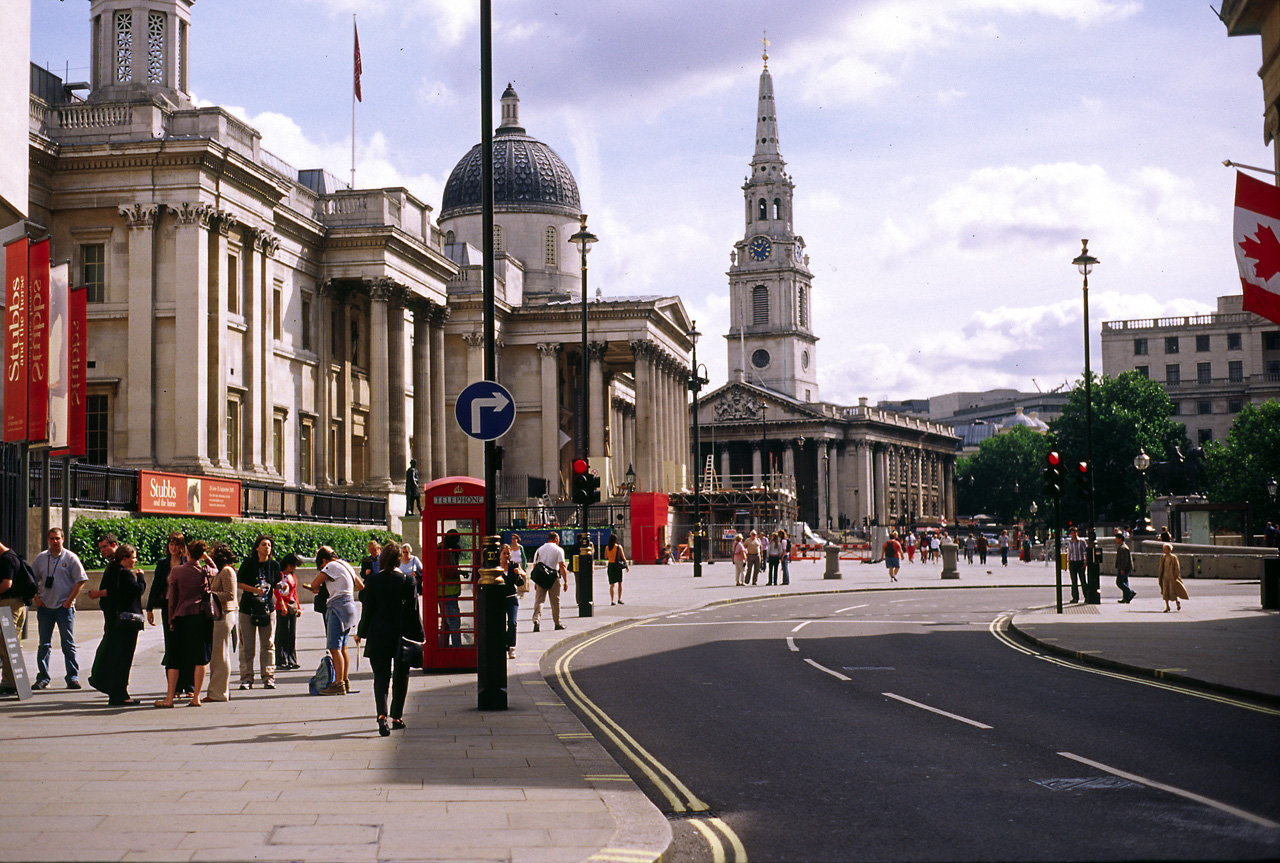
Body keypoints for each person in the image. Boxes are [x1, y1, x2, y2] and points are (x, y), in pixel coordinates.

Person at [357, 544, 423, 735]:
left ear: (381, 559)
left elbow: (367, 611)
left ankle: (381, 716)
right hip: (401, 635)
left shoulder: (373, 581)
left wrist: (361, 633)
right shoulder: (408, 580)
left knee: (380, 677)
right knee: (401, 676)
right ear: (397, 560)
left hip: (379, 634)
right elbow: (413, 612)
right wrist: (420, 635)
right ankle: (397, 717)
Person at [157, 540, 214, 708]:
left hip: (181, 616)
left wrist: (171, 619)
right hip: (200, 617)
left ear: (187, 553)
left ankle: (169, 698)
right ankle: (196, 697)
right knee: (200, 658)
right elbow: (216, 570)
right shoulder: (204, 571)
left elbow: (172, 598)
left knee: (174, 657)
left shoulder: (177, 571)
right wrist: (207, 558)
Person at [32, 527, 88, 690]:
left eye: (57, 538)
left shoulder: (70, 557)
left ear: (63, 539)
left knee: (68, 643)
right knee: (44, 644)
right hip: (45, 607)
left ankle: (72, 676)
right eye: (51, 538)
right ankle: (43, 677)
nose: (55, 541)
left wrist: (69, 601)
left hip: (64, 608)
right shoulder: (41, 558)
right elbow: (32, 580)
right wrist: (36, 598)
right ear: (48, 540)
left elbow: (80, 580)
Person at [308, 546, 364, 695]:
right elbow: (360, 585)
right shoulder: (345, 564)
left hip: (337, 606)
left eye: (321, 565)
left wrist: (320, 587)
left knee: (334, 647)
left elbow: (314, 584)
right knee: (343, 647)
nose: (322, 568)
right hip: (350, 605)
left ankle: (338, 684)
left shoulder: (330, 566)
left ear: (324, 560)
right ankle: (345, 680)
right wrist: (343, 587)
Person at [147, 533, 194, 696]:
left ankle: (189, 685)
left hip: (184, 607)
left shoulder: (187, 562)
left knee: (186, 644)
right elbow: (156, 584)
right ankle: (174, 687)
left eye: (176, 544)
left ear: (182, 547)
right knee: (171, 645)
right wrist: (149, 608)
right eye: (170, 544)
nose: (173, 547)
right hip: (168, 606)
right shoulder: (163, 564)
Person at [101, 544, 145, 705]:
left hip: (116, 621)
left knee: (117, 657)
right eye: (133, 558)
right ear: (124, 558)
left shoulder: (112, 572)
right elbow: (137, 591)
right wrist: (141, 578)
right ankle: (120, 694)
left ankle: (117, 692)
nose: (135, 561)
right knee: (124, 658)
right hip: (128, 623)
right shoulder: (125, 574)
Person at [236, 535, 280, 690]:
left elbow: (276, 583)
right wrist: (255, 590)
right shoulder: (248, 564)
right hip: (248, 608)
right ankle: (246, 678)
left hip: (268, 609)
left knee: (268, 644)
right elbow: (239, 583)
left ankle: (268, 677)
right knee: (247, 646)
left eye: (269, 545)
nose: (267, 547)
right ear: (257, 548)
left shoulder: (274, 565)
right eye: (263, 544)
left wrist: (282, 586)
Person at [0, 538, 34, 695]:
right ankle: (11, 681)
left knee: (8, 644)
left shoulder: (7, 559)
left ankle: (12, 681)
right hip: (16, 605)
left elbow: (6, 584)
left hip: (9, 605)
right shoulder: (13, 555)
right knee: (11, 643)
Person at [205, 543, 239, 702]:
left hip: (224, 614)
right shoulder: (221, 571)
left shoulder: (227, 571)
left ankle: (218, 692)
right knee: (219, 654)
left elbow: (230, 594)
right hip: (222, 615)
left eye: (213, 555)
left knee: (220, 654)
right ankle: (221, 689)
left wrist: (210, 595)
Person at [531, 532, 569, 632]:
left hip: (541, 577)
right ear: (556, 539)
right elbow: (562, 566)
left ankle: (536, 620)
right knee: (555, 601)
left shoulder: (539, 549)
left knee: (539, 600)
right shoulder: (559, 550)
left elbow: (535, 566)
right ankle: (557, 623)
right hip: (553, 578)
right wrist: (565, 581)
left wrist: (536, 582)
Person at [275, 553, 302, 670]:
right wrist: (281, 604)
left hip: (291, 604)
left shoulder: (291, 575)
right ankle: (281, 659)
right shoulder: (280, 575)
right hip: (282, 605)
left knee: (291, 633)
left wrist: (298, 607)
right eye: (292, 565)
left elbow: (294, 591)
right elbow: (277, 591)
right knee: (283, 633)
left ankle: (291, 658)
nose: (294, 568)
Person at [438, 530, 464, 647]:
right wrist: (459, 572)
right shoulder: (443, 551)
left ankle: (443, 647)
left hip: (446, 592)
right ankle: (457, 648)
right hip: (447, 592)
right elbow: (448, 571)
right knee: (454, 622)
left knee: (446, 624)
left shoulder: (446, 549)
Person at [503, 535, 527, 658]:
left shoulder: (513, 566)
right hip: (500, 600)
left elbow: (520, 583)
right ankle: (503, 645)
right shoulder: (495, 568)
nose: (507, 556)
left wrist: (520, 574)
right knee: (500, 624)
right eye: (504, 553)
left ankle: (511, 647)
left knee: (512, 623)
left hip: (512, 598)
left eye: (508, 553)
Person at [1158, 543, 1188, 612]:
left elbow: (1177, 568)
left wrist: (1176, 576)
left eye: (1165, 549)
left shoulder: (1173, 558)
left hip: (1172, 576)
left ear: (1169, 550)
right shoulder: (1163, 557)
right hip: (1165, 576)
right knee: (1165, 591)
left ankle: (1177, 602)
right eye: (1163, 549)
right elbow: (1161, 567)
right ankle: (1167, 606)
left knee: (1172, 591)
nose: (1164, 550)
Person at [604, 534, 629, 604]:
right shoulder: (618, 547)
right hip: (617, 566)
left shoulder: (607, 547)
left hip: (610, 565)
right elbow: (623, 557)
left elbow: (606, 557)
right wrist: (626, 565)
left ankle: (612, 600)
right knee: (620, 583)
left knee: (612, 584)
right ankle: (619, 599)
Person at [1065, 527, 1087, 603]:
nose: (1073, 534)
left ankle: (1086, 597)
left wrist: (1085, 563)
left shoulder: (1081, 541)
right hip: (1073, 563)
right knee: (1074, 582)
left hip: (1080, 562)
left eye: (1074, 532)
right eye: (1071, 533)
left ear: (1077, 533)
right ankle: (1075, 597)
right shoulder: (1069, 542)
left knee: (1083, 581)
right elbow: (1069, 553)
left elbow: (1085, 553)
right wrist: (1068, 563)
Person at [1114, 532, 1136, 604]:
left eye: (1116, 538)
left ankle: (1130, 592)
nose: (1115, 540)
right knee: (1124, 582)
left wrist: (1122, 569)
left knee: (1119, 582)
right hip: (1126, 567)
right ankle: (1126, 598)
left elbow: (1124, 559)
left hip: (1124, 568)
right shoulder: (1123, 547)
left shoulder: (1123, 548)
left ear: (1120, 539)